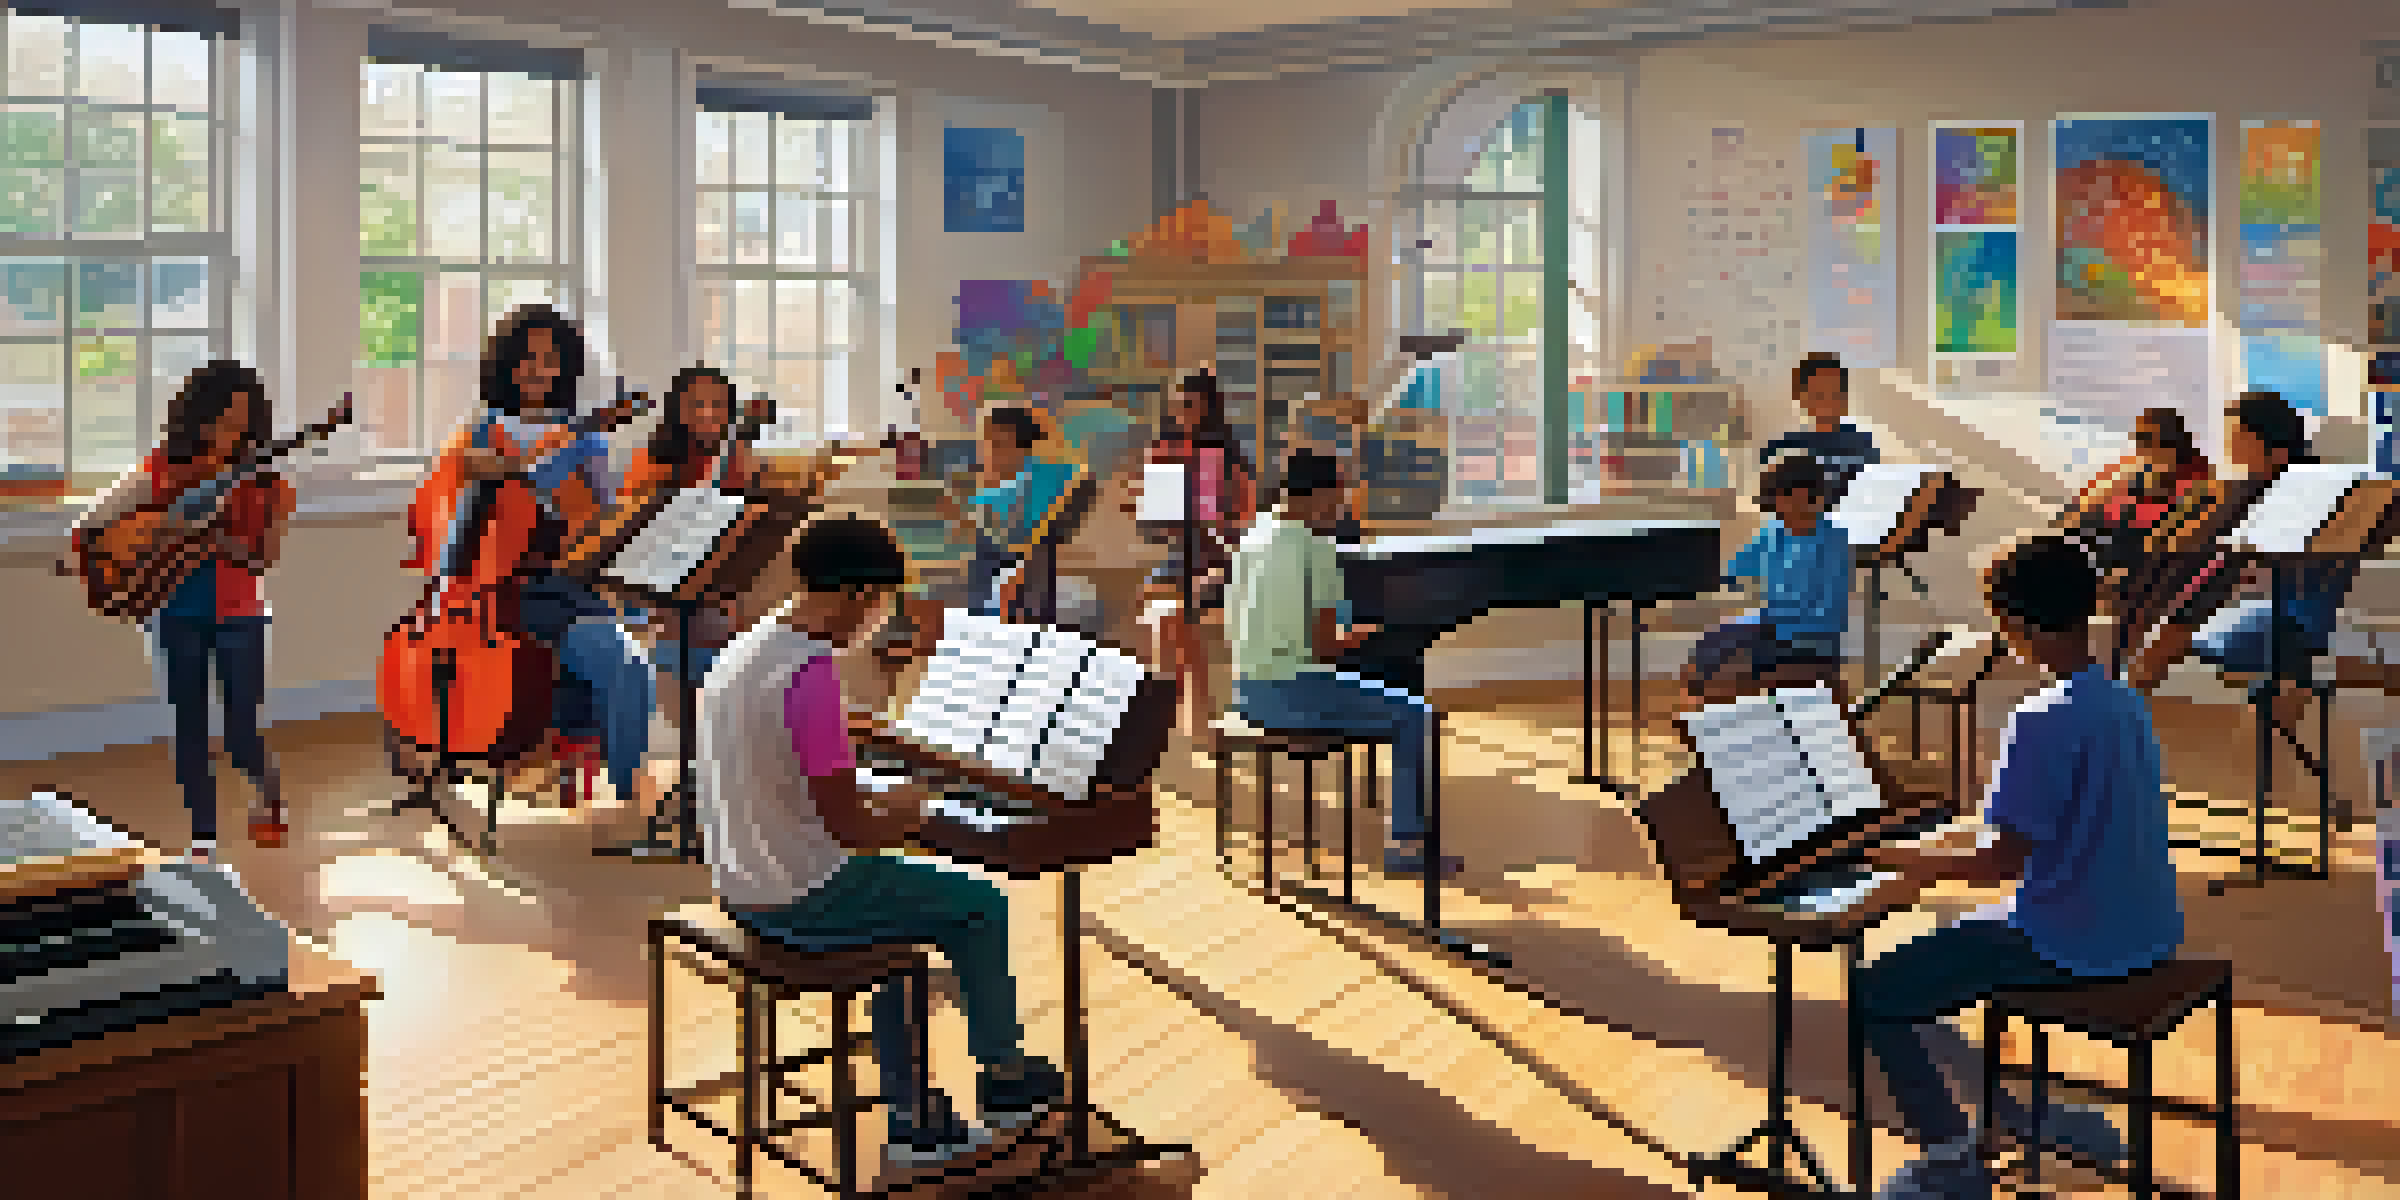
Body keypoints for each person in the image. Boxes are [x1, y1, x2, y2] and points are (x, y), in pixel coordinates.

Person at [696, 515, 1066, 1168]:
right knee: (980, 906)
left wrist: (868, 784)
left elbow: (792, 769)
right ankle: (998, 1086)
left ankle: (923, 1107)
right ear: (859, 595)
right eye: (882, 604)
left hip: (741, 877)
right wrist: (910, 811)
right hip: (802, 892)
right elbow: (851, 829)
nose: (879, 620)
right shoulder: (811, 675)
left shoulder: (747, 648)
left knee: (908, 921)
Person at [1860, 534, 2181, 1200]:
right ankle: (2016, 1113)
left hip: (2072, 942)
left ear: (2017, 626)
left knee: (1878, 990)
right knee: (1942, 953)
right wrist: (1938, 843)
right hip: (2144, 927)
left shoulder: (2041, 717)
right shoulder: (2122, 701)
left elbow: (2000, 862)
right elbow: (2034, 826)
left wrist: (1909, 861)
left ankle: (1948, 1160)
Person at [403, 304, 652, 805]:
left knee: (627, 668)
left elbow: (605, 519)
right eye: (526, 358)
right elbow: (455, 507)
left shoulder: (587, 439)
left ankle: (628, 795)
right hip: (490, 592)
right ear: (505, 365)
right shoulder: (478, 432)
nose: (538, 369)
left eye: (550, 358)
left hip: (564, 586)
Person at [71, 361, 293, 860]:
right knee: (189, 726)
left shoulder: (266, 480)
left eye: (241, 423)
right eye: (221, 420)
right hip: (172, 610)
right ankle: (204, 839)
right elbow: (98, 519)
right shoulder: (162, 468)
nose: (229, 433)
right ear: (198, 417)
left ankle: (269, 795)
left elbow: (264, 558)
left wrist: (214, 541)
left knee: (241, 731)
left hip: (241, 615)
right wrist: (114, 546)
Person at [1227, 449, 1453, 878]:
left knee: (1375, 700)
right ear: (1319, 496)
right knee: (1415, 716)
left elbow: (1235, 624)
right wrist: (1368, 632)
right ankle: (1405, 848)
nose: (1341, 507)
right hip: (1294, 693)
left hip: (1246, 691)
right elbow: (1324, 648)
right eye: (1338, 497)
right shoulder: (1316, 549)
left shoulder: (1253, 537)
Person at [2127, 391, 2349, 712]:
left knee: (2200, 580)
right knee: (2192, 579)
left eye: (2239, 438)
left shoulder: (2272, 489)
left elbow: (2189, 546)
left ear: (2271, 446)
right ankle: (2134, 683)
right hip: (2304, 616)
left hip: (2293, 621)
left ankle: (2132, 688)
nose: (2232, 448)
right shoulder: (2315, 483)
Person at [622, 365, 770, 712]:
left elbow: (743, 514)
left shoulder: (732, 456)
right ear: (677, 410)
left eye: (717, 404)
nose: (707, 413)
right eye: (696, 404)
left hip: (719, 595)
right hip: (667, 596)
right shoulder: (653, 461)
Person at [1136, 370, 1254, 737]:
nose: (1182, 412)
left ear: (1208, 406)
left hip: (1221, 557)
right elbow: (1156, 527)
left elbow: (1243, 522)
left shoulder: (1227, 457)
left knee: (1174, 614)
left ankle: (1189, 721)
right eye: (1178, 405)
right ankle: (1193, 720)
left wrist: (1217, 518)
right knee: (1164, 614)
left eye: (1189, 404)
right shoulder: (1165, 451)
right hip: (1182, 557)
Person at [1684, 454, 1850, 702]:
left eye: (1779, 501)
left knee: (1735, 672)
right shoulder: (1773, 533)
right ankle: (1703, 712)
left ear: (1805, 497)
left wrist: (1769, 627)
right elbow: (1733, 571)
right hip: (1770, 626)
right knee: (1707, 651)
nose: (1776, 511)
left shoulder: (1833, 542)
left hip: (1810, 639)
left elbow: (1827, 616)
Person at [2060, 407, 2212, 668]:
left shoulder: (2199, 483)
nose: (2142, 449)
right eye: (2140, 440)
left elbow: (2169, 541)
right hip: (2122, 546)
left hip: (2151, 561)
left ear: (2173, 443)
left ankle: (2107, 660)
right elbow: (2093, 504)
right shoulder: (2141, 469)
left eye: (2149, 441)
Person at [950, 406, 1078, 621]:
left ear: (1021, 445)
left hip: (1024, 598)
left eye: (997, 444)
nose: (989, 453)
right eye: (987, 444)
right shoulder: (1003, 485)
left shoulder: (1048, 479)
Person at [1759, 352, 1880, 503]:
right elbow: (1768, 501)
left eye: (1834, 393)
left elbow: (1872, 493)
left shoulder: (1862, 445)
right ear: (1802, 398)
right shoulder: (1782, 449)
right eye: (1819, 394)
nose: (1828, 402)